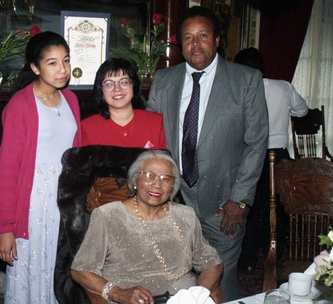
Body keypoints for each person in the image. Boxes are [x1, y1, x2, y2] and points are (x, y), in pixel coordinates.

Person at [146, 6, 268, 300]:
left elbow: (256, 143)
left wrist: (239, 200)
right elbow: (151, 137)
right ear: (180, 44)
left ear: (217, 40)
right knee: (174, 279)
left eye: (203, 35)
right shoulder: (164, 80)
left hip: (223, 206)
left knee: (221, 281)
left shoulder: (246, 80)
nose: (195, 44)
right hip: (173, 202)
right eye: (188, 38)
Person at [0, 32, 81, 304]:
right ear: (35, 67)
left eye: (65, 61)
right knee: (32, 276)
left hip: (65, 203)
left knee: (63, 275)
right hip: (32, 206)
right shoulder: (20, 106)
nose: (63, 69)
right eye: (52, 63)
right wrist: (5, 228)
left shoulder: (72, 101)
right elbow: (8, 171)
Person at [71, 150, 223, 304]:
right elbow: (81, 269)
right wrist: (118, 294)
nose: (157, 185)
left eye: (166, 179)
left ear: (173, 186)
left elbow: (211, 263)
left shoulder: (186, 215)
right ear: (135, 180)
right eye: (149, 176)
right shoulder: (108, 215)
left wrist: (199, 293)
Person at [234, 47, 308, 273]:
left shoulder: (239, 89)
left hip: (251, 156)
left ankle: (246, 260)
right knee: (275, 209)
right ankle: (273, 255)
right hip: (280, 157)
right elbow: (302, 110)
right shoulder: (283, 86)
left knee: (250, 208)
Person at [81, 58, 166, 149]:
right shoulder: (87, 128)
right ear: (101, 91)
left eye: (124, 82)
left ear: (133, 86)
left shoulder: (156, 122)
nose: (117, 89)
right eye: (109, 84)